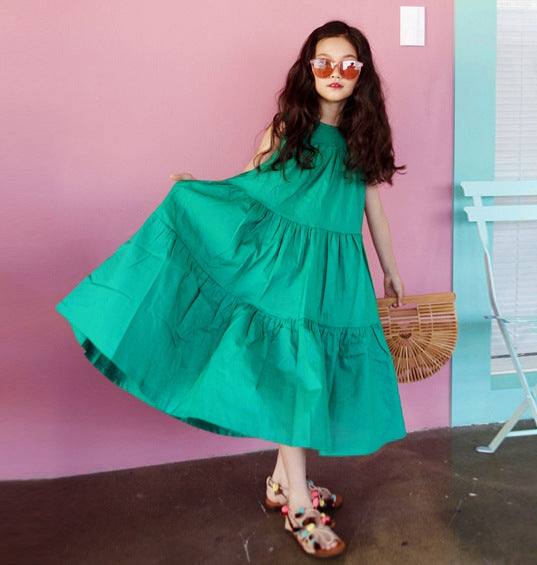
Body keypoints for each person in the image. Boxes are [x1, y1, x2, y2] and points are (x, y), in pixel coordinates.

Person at [57, 20, 406, 558]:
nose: (335, 73)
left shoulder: (360, 141)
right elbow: (247, 184)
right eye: (324, 63)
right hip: (286, 272)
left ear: (362, 74)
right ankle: (300, 506)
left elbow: (372, 209)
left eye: (348, 64)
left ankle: (281, 482)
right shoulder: (289, 129)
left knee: (317, 374)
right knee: (299, 380)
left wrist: (390, 268)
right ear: (309, 69)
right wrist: (199, 193)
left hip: (336, 274)